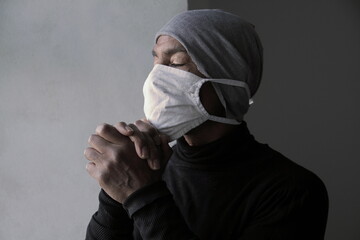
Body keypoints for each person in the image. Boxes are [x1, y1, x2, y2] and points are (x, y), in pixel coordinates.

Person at [84, 9, 328, 240]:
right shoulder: (148, 166)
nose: (155, 79)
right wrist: (115, 190)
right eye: (156, 61)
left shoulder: (292, 192)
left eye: (176, 63)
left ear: (227, 80)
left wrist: (143, 195)